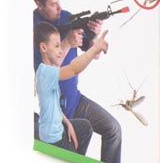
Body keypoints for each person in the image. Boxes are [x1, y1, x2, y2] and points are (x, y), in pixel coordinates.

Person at [33, 0, 122, 163]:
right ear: (39, 4)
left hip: (75, 99)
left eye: (59, 1)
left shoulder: (66, 17)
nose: (59, 7)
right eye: (53, 4)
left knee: (113, 129)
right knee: (72, 157)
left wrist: (94, 37)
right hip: (55, 110)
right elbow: (49, 71)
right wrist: (67, 42)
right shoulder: (34, 29)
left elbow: (93, 52)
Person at [34, 22, 108, 153]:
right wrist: (95, 49)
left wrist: (68, 123)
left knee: (85, 127)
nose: (60, 50)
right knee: (77, 141)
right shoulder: (45, 73)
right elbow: (73, 69)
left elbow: (53, 107)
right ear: (44, 48)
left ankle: (75, 156)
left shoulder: (48, 71)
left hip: (55, 129)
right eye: (57, 46)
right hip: (52, 139)